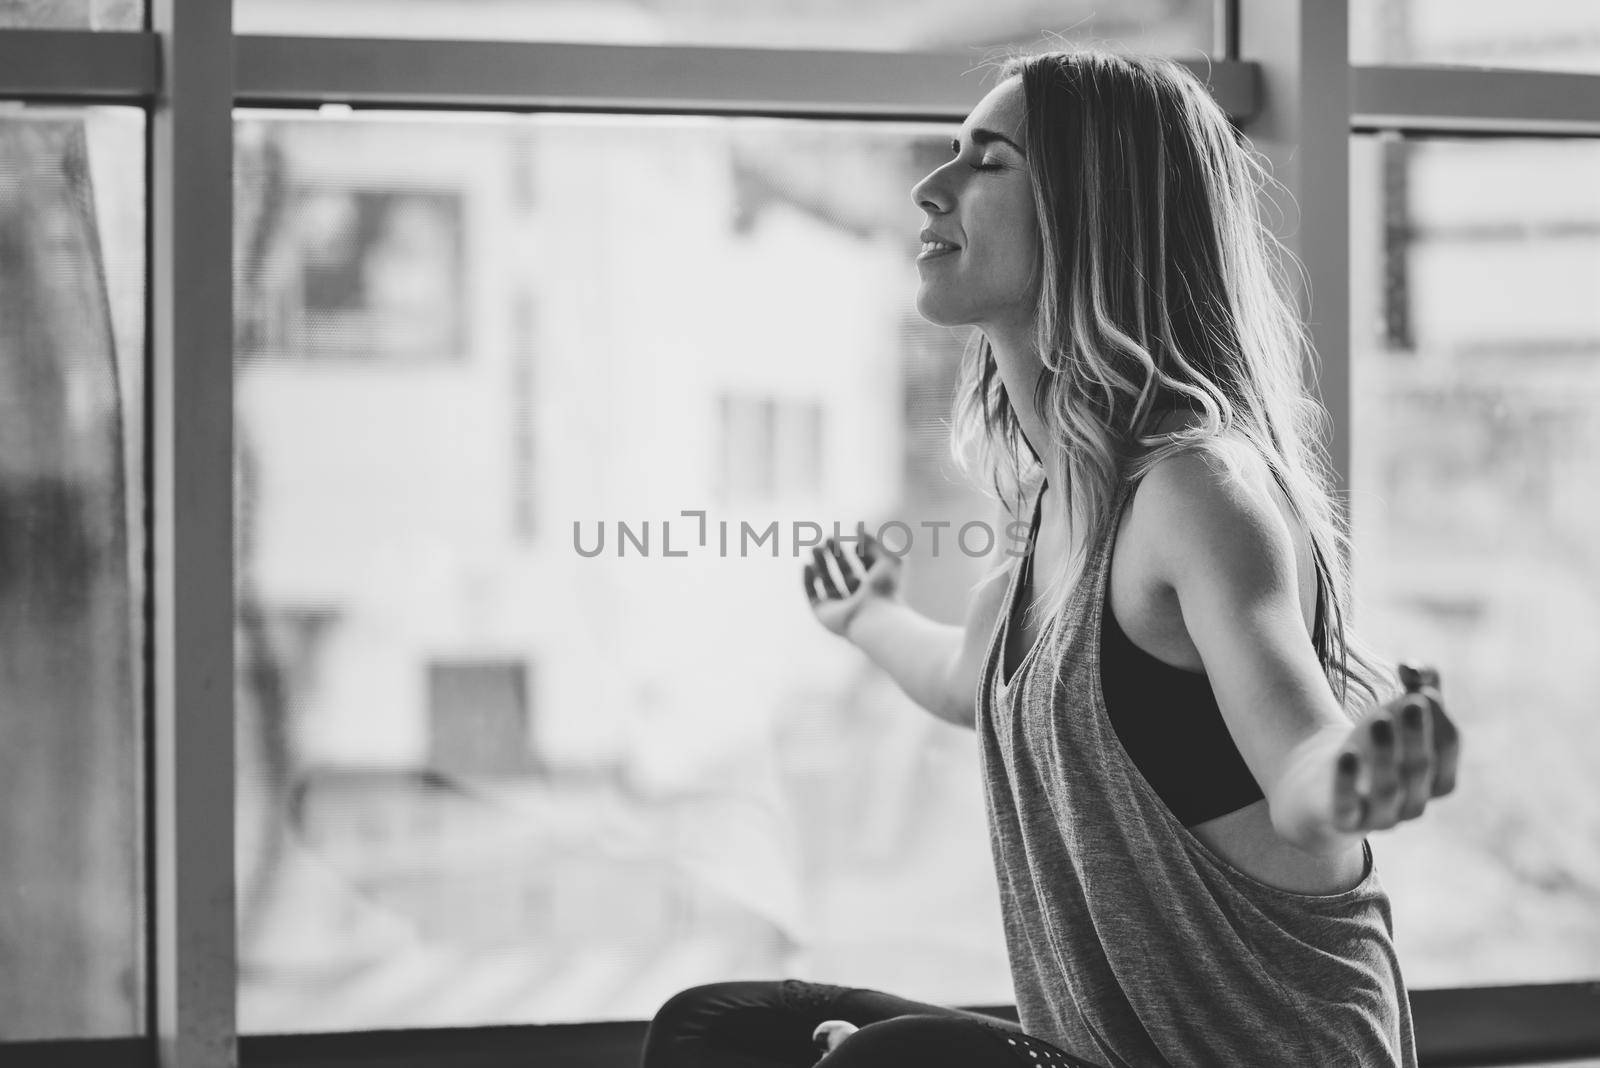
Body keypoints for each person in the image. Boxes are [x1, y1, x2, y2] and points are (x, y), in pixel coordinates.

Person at [639, 47, 1460, 1068]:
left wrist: (1357, 776)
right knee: (712, 1036)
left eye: (987, 163)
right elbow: (970, 677)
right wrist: (868, 619)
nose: (929, 187)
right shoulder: (1056, 500)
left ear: (1095, 215)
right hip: (1098, 1056)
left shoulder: (1193, 492)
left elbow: (1297, 756)